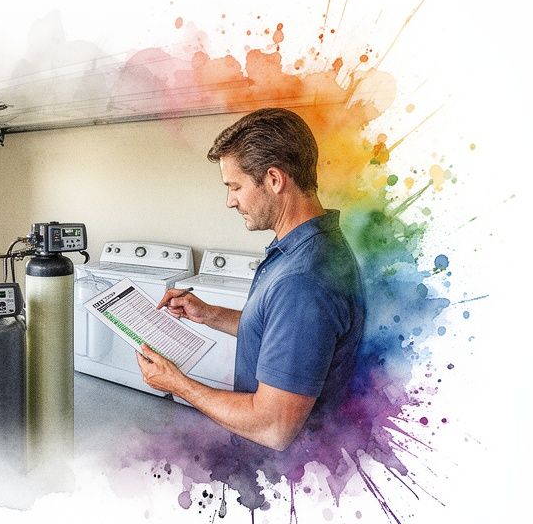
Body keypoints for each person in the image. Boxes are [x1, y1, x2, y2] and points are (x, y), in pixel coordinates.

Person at [135, 108, 366, 451]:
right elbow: (282, 331)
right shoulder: (305, 247)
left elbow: (274, 427)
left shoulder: (302, 281)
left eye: (235, 186)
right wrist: (210, 314)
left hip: (285, 475)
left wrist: (179, 384)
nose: (230, 201)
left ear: (274, 179)